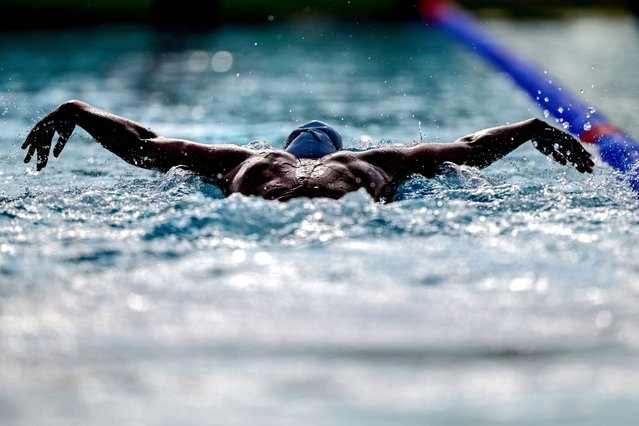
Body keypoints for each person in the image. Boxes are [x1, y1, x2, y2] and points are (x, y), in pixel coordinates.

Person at [22, 100, 594, 202]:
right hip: (351, 203)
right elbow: (468, 149)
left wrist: (79, 110)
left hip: (259, 200)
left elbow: (145, 147)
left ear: (285, 144)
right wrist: (530, 128)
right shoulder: (378, 161)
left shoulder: (240, 159)